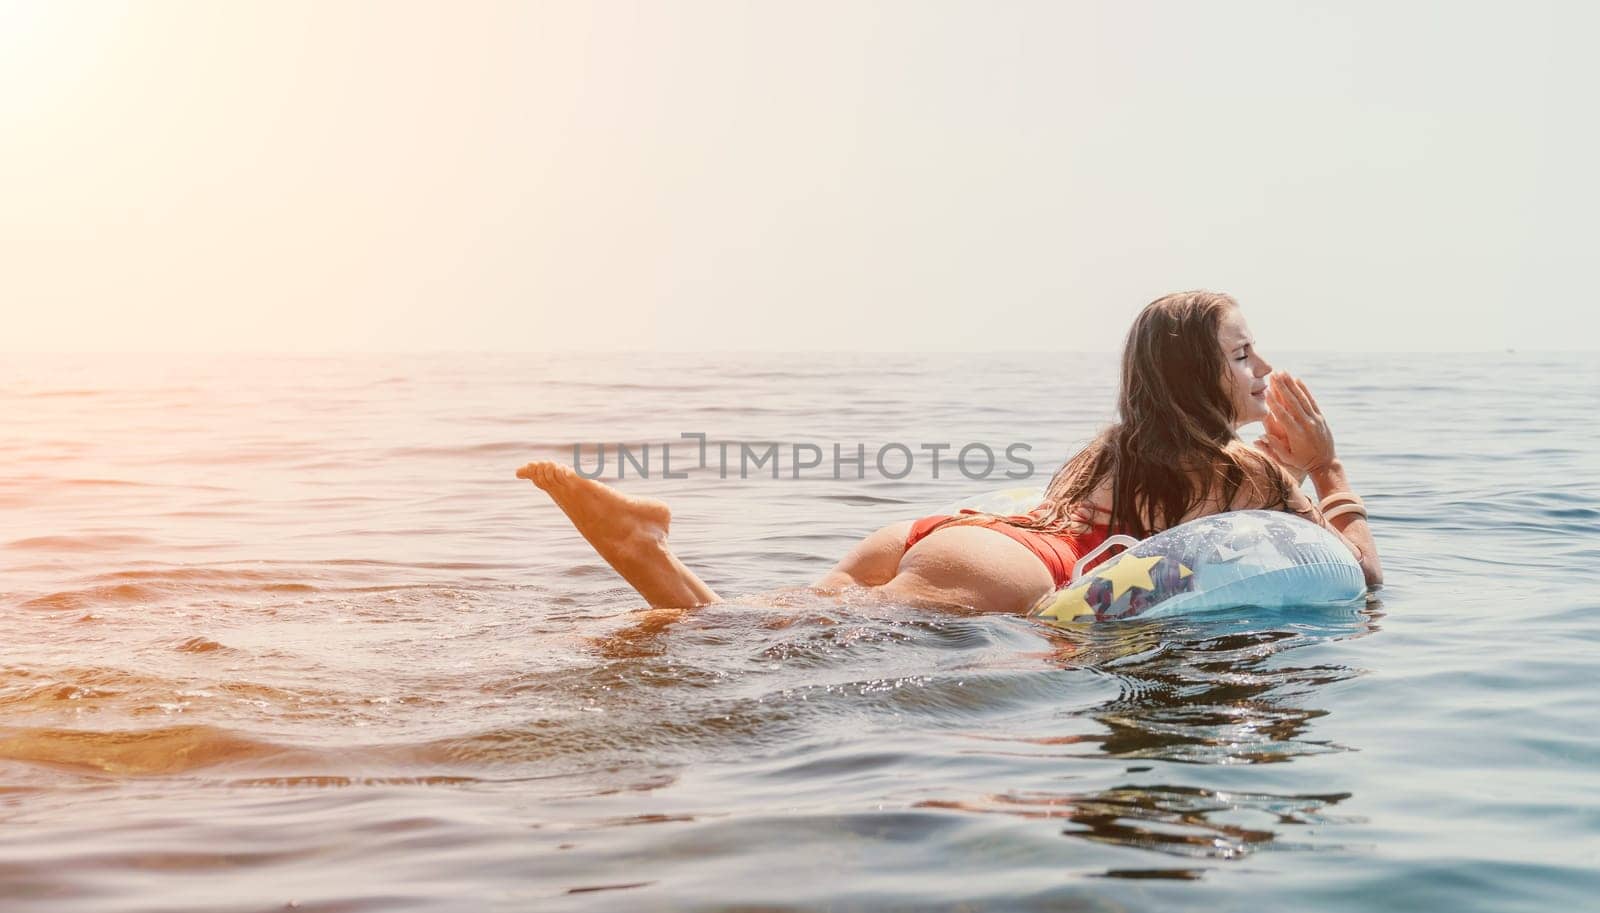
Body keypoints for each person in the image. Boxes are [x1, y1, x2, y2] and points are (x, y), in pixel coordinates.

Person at [516, 291, 1382, 618]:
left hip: (947, 529)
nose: (1263, 372)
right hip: (1018, 564)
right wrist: (1326, 467)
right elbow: (1362, 576)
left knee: (769, 619)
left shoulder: (1117, 442)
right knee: (754, 643)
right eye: (1241, 356)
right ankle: (648, 552)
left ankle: (647, 551)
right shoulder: (1248, 472)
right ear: (1201, 378)